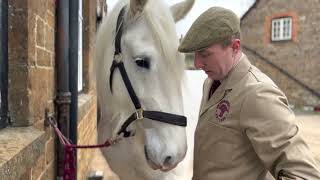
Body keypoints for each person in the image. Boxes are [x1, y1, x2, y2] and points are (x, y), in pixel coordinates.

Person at [178, 7, 320, 180]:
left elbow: (304, 175)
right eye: (195, 54)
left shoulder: (258, 93)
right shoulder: (210, 82)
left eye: (205, 54)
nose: (198, 63)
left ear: (235, 47)